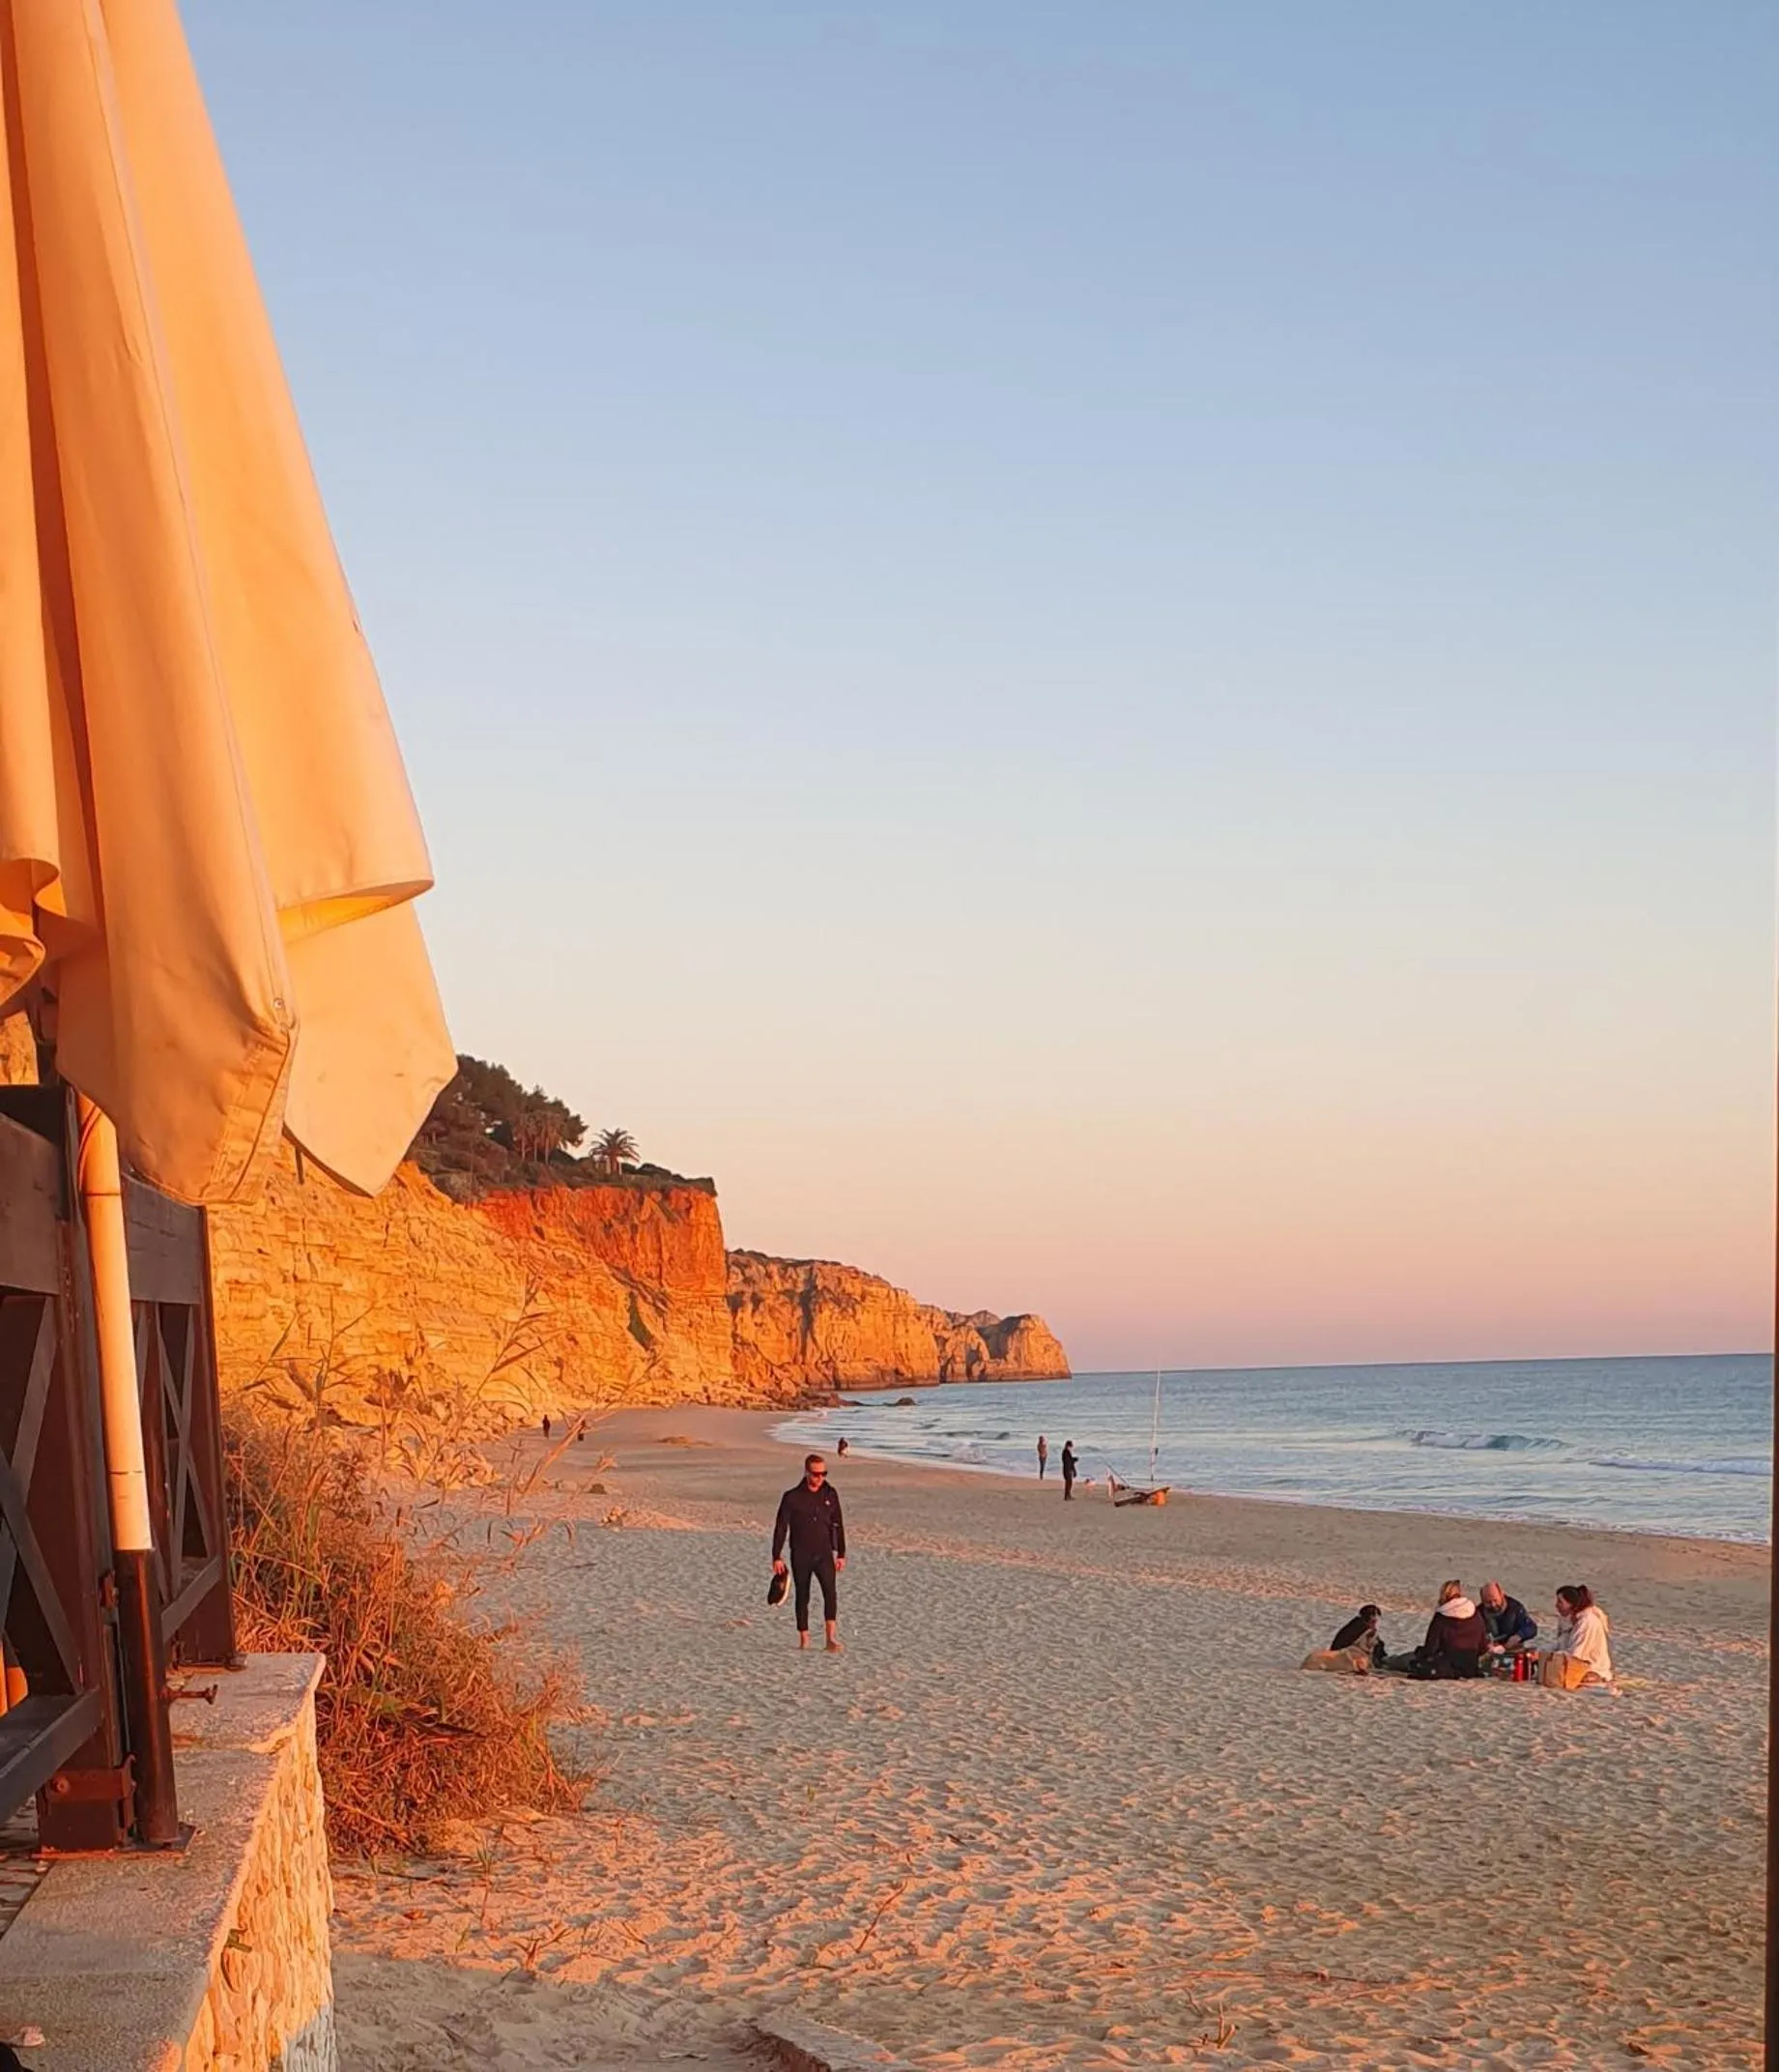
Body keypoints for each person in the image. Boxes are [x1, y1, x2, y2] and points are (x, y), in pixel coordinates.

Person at [772, 1453, 846, 1653]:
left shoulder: (830, 1494)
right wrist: (776, 1556)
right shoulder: (792, 1497)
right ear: (806, 1473)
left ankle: (830, 1638)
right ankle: (804, 1638)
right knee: (802, 1595)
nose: (820, 1478)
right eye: (816, 1474)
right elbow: (781, 1527)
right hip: (801, 1553)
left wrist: (841, 1553)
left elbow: (838, 1524)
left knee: (830, 1593)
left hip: (824, 1553)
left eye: (824, 1473)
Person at [1541, 1584, 1613, 1689]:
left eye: (1560, 1602)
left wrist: (1551, 1656)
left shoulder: (1587, 1622)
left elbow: (1576, 1654)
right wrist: (1540, 1651)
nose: (1556, 1605)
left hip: (1592, 1668)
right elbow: (1560, 1643)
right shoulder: (1568, 1619)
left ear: (1571, 1605)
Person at [1478, 1579, 1537, 1655]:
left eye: (1495, 1600)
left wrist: (1519, 1636)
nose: (1493, 1605)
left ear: (1501, 1595)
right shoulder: (1479, 1613)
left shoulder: (1515, 1608)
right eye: (1488, 1602)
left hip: (1513, 1651)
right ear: (1482, 1600)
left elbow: (1531, 1627)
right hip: (1489, 1652)